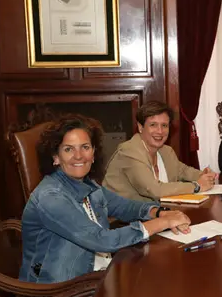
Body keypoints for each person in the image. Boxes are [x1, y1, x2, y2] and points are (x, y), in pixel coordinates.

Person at [20, 115, 192, 284]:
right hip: (60, 295)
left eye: (85, 147)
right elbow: (102, 240)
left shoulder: (88, 185)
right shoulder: (51, 197)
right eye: (68, 149)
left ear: (93, 153)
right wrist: (162, 223)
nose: (79, 156)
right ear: (55, 157)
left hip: (97, 277)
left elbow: (125, 207)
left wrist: (160, 212)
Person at [103, 101, 217, 201]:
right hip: (121, 220)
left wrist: (204, 175)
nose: (160, 131)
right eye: (153, 125)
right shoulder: (129, 151)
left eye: (164, 125)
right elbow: (154, 190)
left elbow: (183, 171)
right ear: (140, 127)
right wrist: (196, 186)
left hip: (156, 213)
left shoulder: (166, 151)